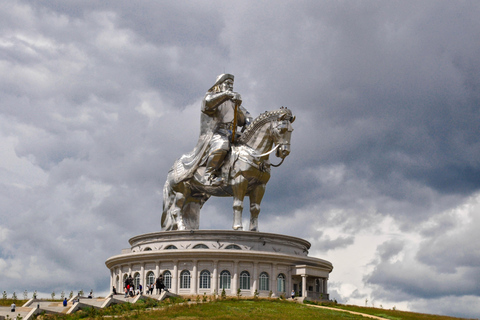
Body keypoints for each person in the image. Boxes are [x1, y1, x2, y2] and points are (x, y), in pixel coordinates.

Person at [171, 73, 252, 186]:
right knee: (222, 144)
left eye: (232, 84)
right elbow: (208, 105)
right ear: (219, 85)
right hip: (216, 134)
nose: (230, 86)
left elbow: (246, 118)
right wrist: (226, 94)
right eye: (227, 83)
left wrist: (247, 122)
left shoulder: (233, 102)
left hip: (233, 134)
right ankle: (208, 175)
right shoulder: (211, 97)